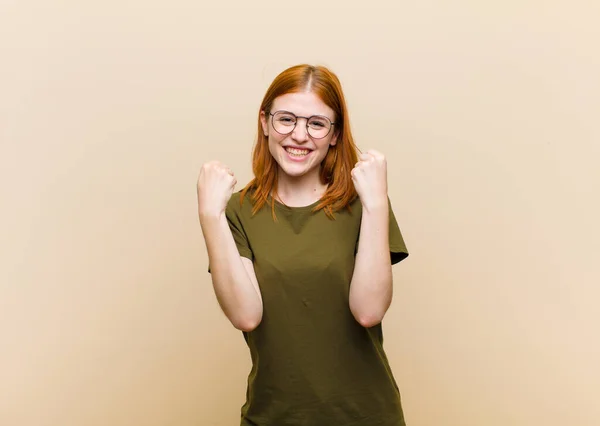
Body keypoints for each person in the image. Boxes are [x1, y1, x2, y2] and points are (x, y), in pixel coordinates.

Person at [196, 64, 410, 425]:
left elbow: (368, 311)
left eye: (316, 123)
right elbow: (245, 315)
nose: (299, 135)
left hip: (367, 417)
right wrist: (209, 217)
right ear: (264, 123)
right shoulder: (238, 210)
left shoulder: (365, 204)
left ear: (335, 135)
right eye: (286, 119)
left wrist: (376, 204)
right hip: (272, 417)